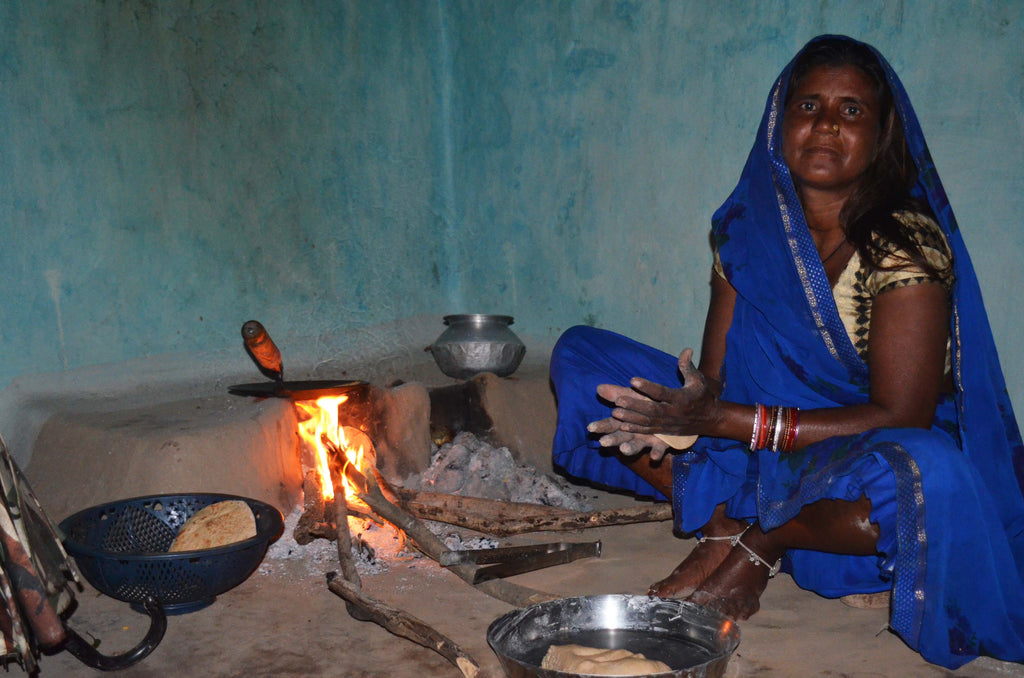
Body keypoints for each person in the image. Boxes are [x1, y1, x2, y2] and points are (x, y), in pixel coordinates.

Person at [549, 35, 1024, 670]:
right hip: (754, 438)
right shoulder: (746, 229)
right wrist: (688, 407)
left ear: (881, 133)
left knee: (929, 472)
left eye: (851, 110)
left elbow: (901, 414)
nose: (827, 124)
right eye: (809, 105)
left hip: (862, 443)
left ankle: (772, 535)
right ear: (781, 123)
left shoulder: (905, 243)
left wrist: (726, 422)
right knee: (581, 356)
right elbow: (717, 378)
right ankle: (725, 519)